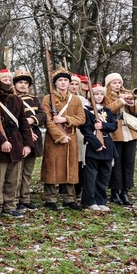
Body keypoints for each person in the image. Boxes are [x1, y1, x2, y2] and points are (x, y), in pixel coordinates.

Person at [0, 69, 34, 219]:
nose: (8, 82)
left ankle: (10, 206)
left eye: (9, 79)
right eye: (4, 79)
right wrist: (2, 141)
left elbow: (23, 124)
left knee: (13, 179)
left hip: (16, 142)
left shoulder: (17, 100)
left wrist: (27, 145)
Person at [40, 67, 86, 210]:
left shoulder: (76, 99)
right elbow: (47, 120)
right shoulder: (48, 98)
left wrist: (64, 119)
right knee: (51, 167)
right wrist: (59, 136)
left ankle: (69, 198)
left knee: (70, 168)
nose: (63, 83)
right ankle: (50, 198)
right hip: (54, 138)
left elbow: (81, 118)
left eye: (66, 80)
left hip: (71, 136)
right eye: (60, 80)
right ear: (55, 82)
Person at [104, 72, 137, 206]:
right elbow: (107, 110)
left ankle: (125, 191)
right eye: (114, 83)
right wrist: (121, 101)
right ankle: (115, 191)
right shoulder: (105, 95)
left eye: (119, 82)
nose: (117, 85)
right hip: (115, 132)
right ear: (109, 84)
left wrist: (132, 102)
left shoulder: (126, 93)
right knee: (117, 164)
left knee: (129, 163)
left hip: (130, 132)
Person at [79, 84, 117, 211]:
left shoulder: (107, 111)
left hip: (107, 144)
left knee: (104, 174)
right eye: (96, 94)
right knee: (91, 175)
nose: (99, 96)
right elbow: (85, 129)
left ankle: (101, 200)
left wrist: (103, 126)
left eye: (101, 94)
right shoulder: (86, 111)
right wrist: (96, 144)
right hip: (94, 145)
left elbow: (114, 126)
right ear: (91, 96)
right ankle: (89, 200)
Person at [13, 70, 45, 211]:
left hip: (34, 138)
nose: (23, 85)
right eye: (20, 82)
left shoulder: (34, 99)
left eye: (26, 83)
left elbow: (43, 115)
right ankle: (13, 199)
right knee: (16, 173)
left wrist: (33, 119)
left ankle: (25, 198)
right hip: (19, 138)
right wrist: (26, 129)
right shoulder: (11, 98)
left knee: (27, 172)